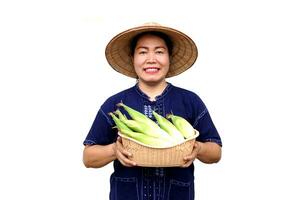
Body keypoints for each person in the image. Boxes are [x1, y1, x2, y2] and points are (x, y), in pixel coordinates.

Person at [83, 22, 222, 200]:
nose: (151, 59)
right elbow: (88, 157)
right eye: (142, 52)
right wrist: (114, 150)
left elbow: (216, 152)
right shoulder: (115, 104)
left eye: (159, 51)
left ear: (169, 57)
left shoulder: (190, 101)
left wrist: (198, 147)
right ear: (132, 58)